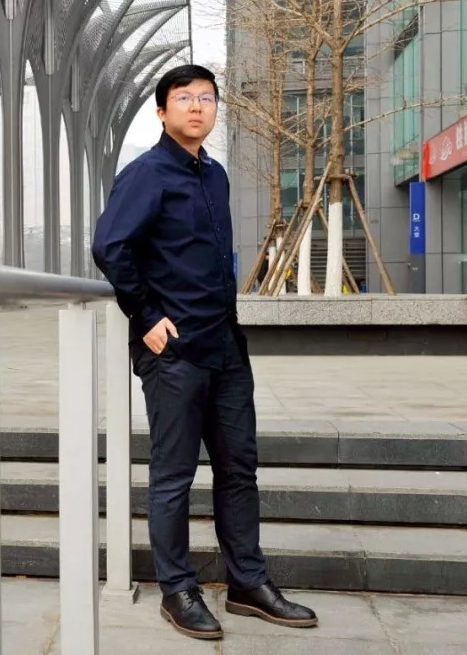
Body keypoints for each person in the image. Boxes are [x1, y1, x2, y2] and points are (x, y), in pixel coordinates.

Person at [91, 64, 317, 641]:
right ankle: (178, 590)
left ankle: (247, 583)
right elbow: (110, 246)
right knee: (173, 474)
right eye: (184, 98)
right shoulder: (146, 174)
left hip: (225, 346)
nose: (197, 106)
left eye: (207, 98)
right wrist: (145, 317)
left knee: (239, 468)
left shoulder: (214, 175)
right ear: (161, 111)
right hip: (175, 351)